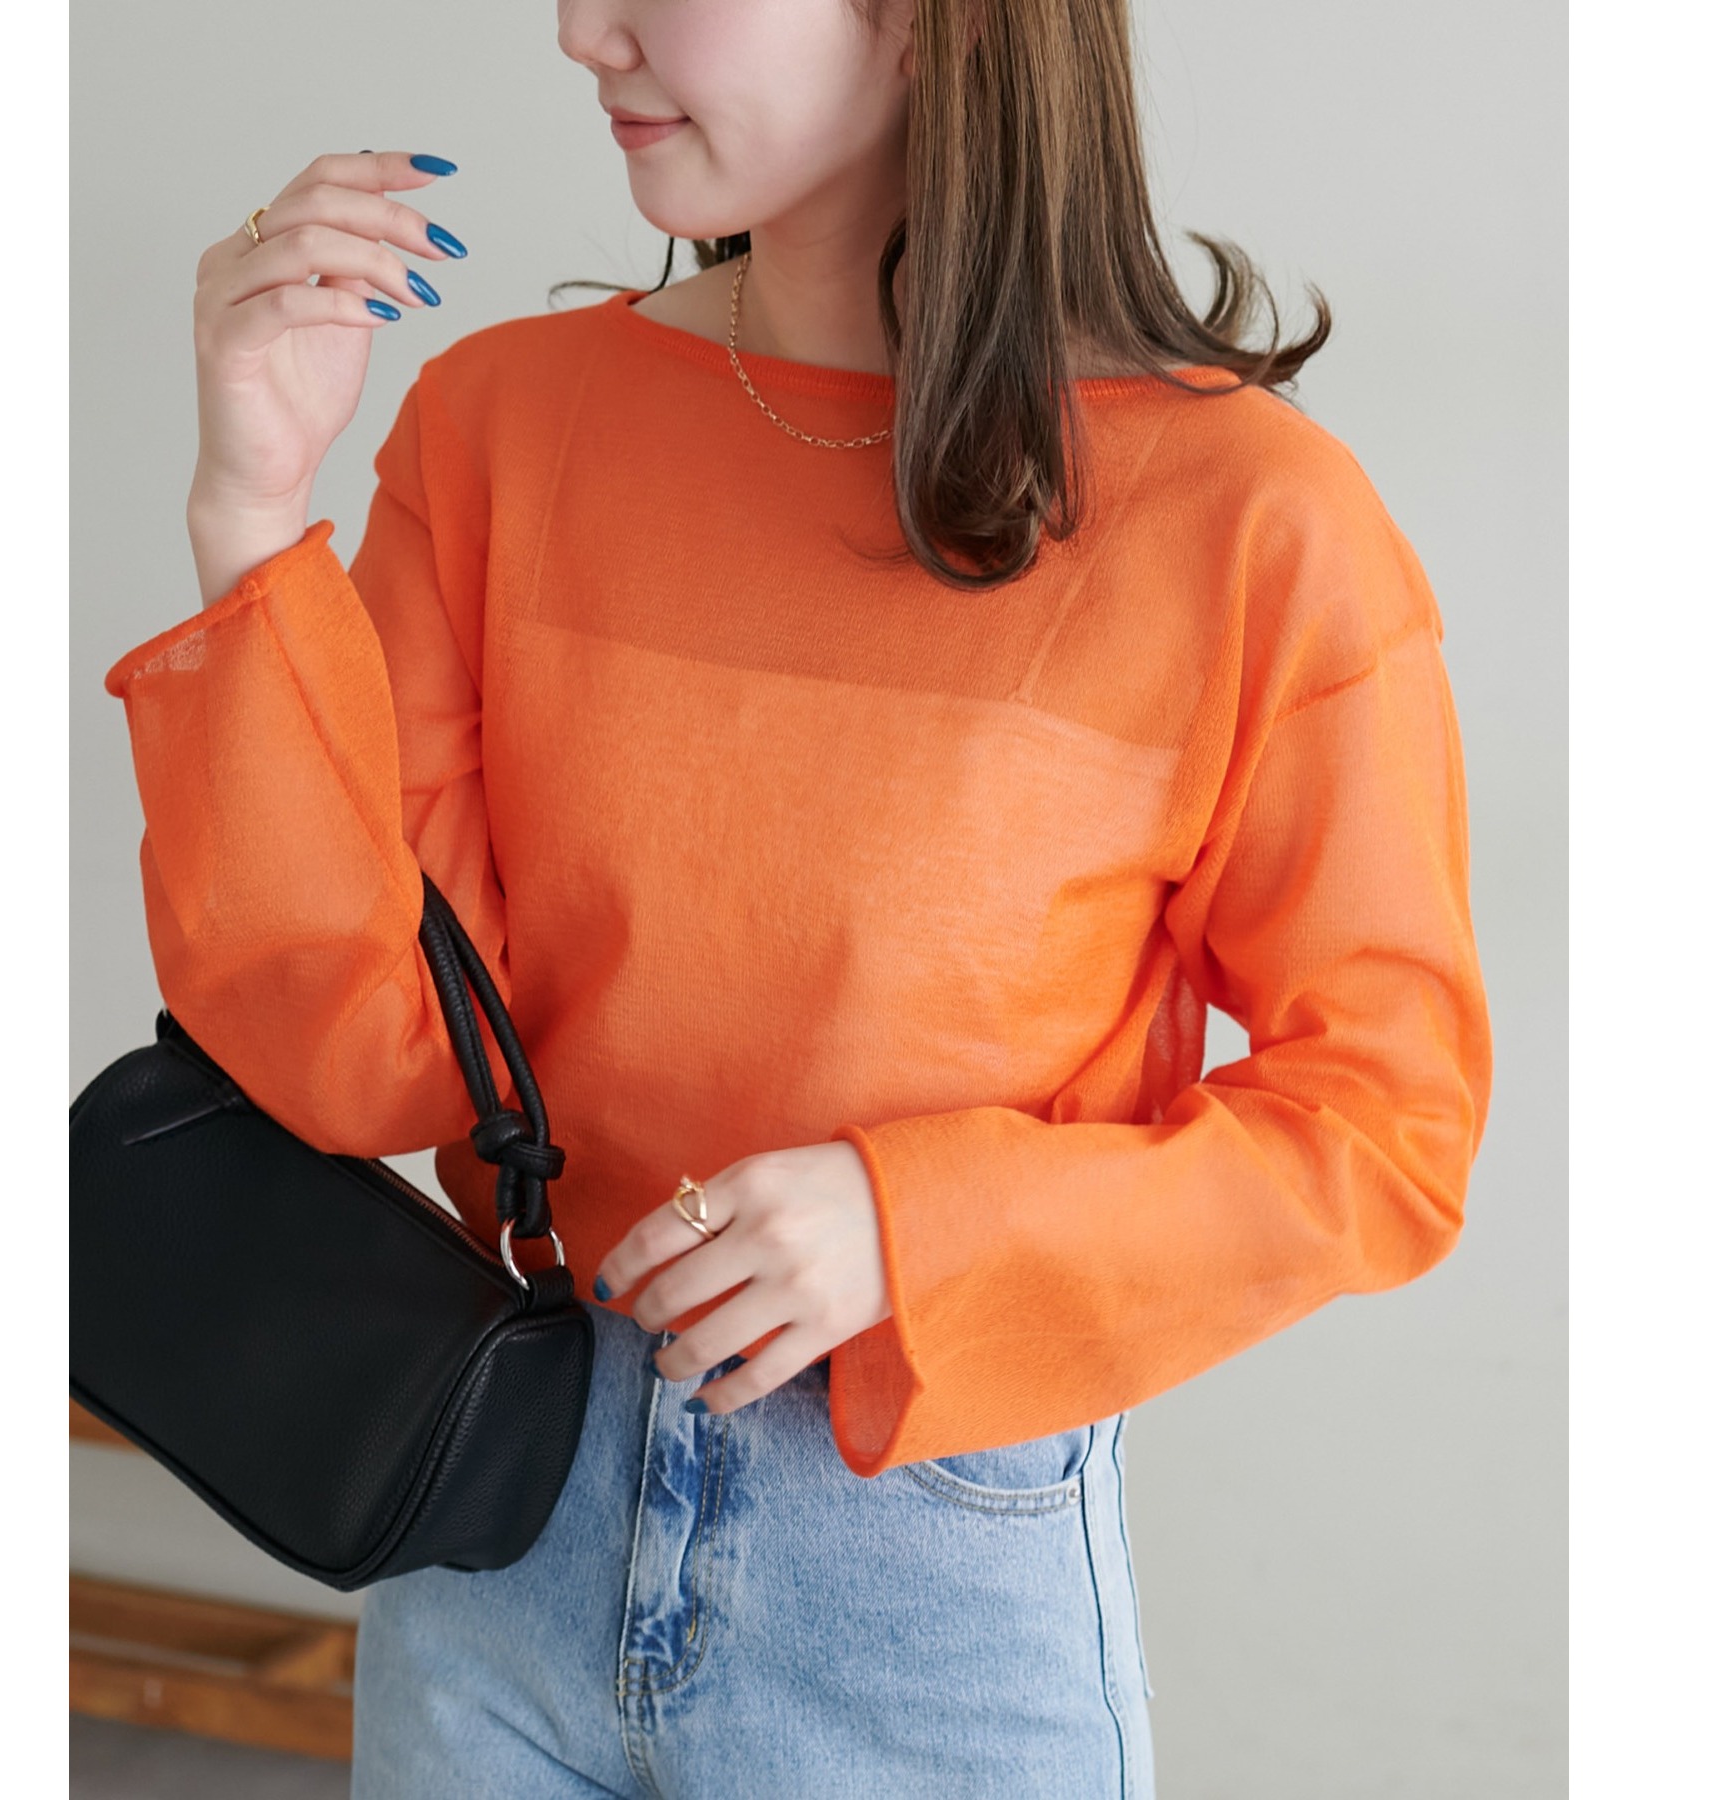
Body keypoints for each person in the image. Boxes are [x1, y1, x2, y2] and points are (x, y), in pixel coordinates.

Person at [101, 3, 1492, 1795]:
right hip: (497, 1516)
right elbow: (371, 1060)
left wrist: (915, 1230)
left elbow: (1385, 1126)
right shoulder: (500, 425)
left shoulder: (1252, 523)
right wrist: (249, 509)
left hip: (925, 1588)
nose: (581, 29)